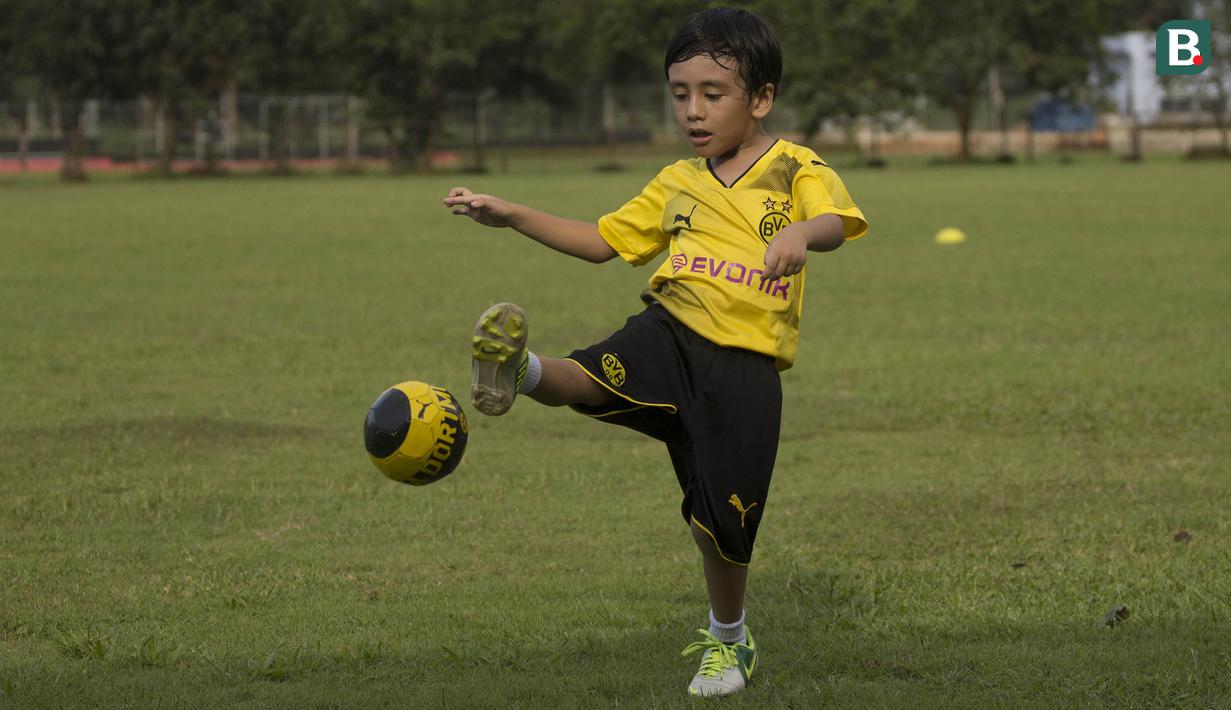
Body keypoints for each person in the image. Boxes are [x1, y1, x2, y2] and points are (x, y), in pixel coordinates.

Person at [443, 6, 868, 698]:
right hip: (669, 327)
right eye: (679, 95)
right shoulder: (677, 182)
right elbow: (602, 242)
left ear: (759, 98)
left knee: (720, 523)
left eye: (712, 93)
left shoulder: (792, 166)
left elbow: (835, 220)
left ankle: (728, 642)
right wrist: (511, 213)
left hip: (742, 367)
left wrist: (801, 236)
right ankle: (518, 371)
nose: (692, 112)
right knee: (592, 374)